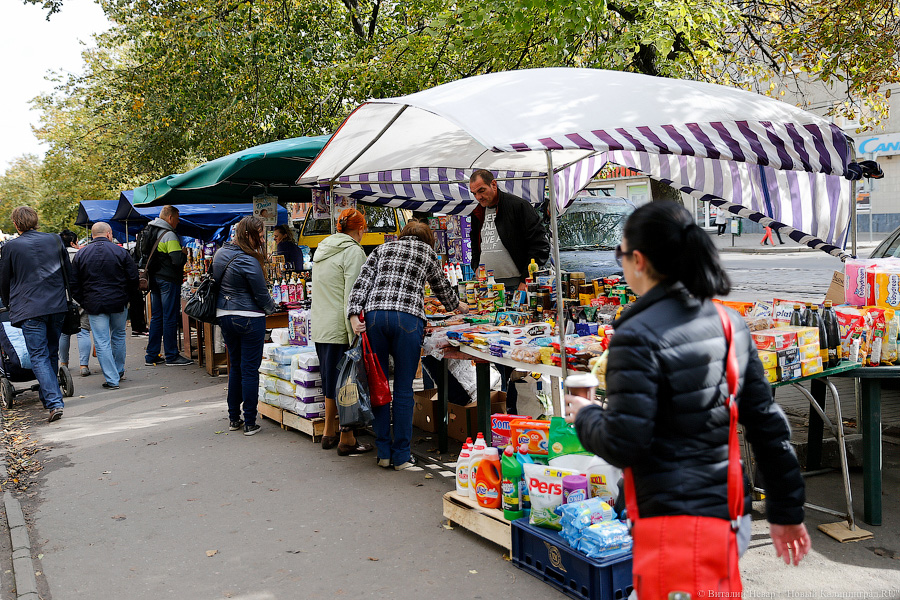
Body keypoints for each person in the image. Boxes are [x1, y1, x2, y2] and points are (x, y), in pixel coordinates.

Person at [566, 201, 810, 593]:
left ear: (638, 260)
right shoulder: (729, 323)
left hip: (674, 527)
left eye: (621, 254)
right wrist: (787, 511)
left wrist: (585, 414)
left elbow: (625, 443)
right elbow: (768, 425)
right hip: (729, 515)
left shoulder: (637, 334)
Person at [348, 221, 468, 470]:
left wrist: (352, 315)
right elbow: (443, 292)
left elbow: (361, 283)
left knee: (378, 386)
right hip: (408, 319)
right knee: (403, 389)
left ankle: (383, 452)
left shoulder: (382, 249)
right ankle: (401, 456)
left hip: (375, 318)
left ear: (403, 235)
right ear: (428, 240)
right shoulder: (428, 253)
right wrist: (460, 307)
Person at [468, 169, 550, 414]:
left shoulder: (518, 206)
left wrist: (527, 279)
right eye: (474, 193)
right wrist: (476, 269)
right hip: (489, 290)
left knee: (516, 347)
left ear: (494, 185)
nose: (479, 197)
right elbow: (476, 245)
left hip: (516, 286)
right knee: (497, 347)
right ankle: (505, 401)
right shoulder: (477, 212)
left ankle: (516, 404)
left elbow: (539, 243)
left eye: (481, 190)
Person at [310, 208, 374, 456]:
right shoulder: (352, 252)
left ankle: (328, 432)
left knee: (330, 380)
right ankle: (346, 437)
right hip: (340, 327)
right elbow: (353, 296)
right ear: (360, 229)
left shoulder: (322, 250)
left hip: (321, 326)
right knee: (347, 382)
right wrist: (355, 335)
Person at [0, 206, 69, 422]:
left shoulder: (11, 247)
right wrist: (71, 299)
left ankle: (54, 402)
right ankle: (48, 396)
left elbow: (4, 280)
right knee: (51, 352)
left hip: (29, 308)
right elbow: (68, 271)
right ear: (36, 220)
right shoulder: (55, 240)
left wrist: (10, 305)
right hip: (56, 305)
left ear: (16, 224)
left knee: (37, 355)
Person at [212, 216, 276, 436]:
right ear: (248, 234)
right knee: (249, 369)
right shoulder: (249, 260)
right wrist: (271, 307)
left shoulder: (220, 253)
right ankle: (250, 421)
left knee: (236, 367)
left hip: (225, 316)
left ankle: (233, 418)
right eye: (259, 234)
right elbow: (261, 294)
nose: (261, 238)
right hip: (249, 317)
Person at [71, 222, 139, 390]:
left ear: (92, 235)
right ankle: (119, 370)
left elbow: (73, 283)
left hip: (94, 304)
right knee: (118, 335)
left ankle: (111, 378)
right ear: (109, 234)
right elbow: (133, 278)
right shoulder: (121, 252)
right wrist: (127, 297)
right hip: (118, 302)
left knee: (101, 341)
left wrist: (84, 301)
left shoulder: (82, 254)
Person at [142, 205, 193, 366]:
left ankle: (152, 355)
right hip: (168, 279)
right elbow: (176, 260)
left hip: (154, 279)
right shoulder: (169, 234)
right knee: (170, 317)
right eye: (177, 219)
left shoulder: (150, 230)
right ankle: (171, 355)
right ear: (170, 217)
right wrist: (183, 254)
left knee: (156, 317)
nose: (177, 222)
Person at [58, 229, 93, 377]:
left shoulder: (56, 256)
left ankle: (63, 364)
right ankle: (83, 365)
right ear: (73, 242)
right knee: (83, 331)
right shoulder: (82, 254)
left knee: (64, 333)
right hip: (82, 298)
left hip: (63, 299)